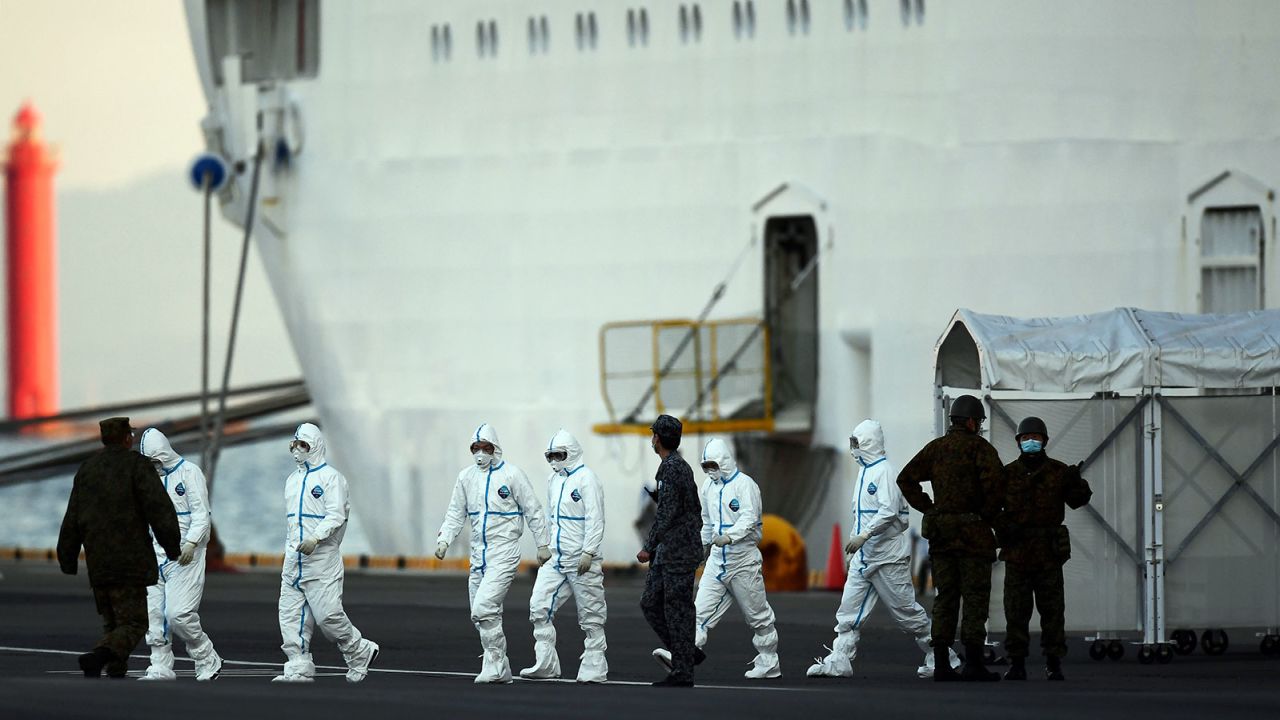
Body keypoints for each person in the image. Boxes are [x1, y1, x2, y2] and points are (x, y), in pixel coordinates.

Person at [808, 420, 961, 679]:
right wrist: (857, 545)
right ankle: (840, 659)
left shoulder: (885, 472)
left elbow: (889, 511)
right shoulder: (864, 472)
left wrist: (865, 535)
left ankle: (943, 656)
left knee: (906, 614)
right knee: (848, 611)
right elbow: (863, 514)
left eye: (857, 443)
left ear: (868, 443)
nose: (853, 449)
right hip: (865, 557)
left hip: (887, 557)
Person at [57, 417, 181, 678]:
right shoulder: (137, 466)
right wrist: (172, 546)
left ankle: (115, 668)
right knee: (135, 622)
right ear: (127, 438)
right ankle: (98, 657)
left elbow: (73, 517)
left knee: (112, 621)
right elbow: (159, 509)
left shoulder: (87, 469)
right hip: (130, 561)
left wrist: (67, 557)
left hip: (98, 560)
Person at [897, 395, 1005, 682]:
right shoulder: (981, 450)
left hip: (942, 537)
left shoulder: (936, 449)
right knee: (974, 598)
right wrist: (987, 518)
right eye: (978, 421)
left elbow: (905, 478)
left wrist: (930, 507)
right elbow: (996, 490)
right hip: (974, 537)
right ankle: (973, 663)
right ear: (971, 421)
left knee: (945, 598)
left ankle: (942, 663)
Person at [654, 437, 780, 679]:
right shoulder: (708, 488)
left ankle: (769, 661)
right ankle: (681, 657)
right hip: (717, 561)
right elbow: (707, 521)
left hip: (743, 561)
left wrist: (730, 536)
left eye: (713, 465)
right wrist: (700, 547)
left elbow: (749, 518)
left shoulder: (746, 485)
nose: (710, 470)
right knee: (698, 612)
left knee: (758, 616)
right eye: (706, 466)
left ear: (724, 461)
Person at [436, 423, 551, 683]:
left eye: (485, 448)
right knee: (481, 614)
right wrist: (444, 539)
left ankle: (497, 665)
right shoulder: (466, 477)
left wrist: (543, 544)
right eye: (475, 448)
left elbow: (533, 509)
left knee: (484, 607)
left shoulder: (512, 475)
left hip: (504, 552)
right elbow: (456, 512)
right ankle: (496, 664)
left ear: (495, 448)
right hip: (479, 556)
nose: (480, 453)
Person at [273, 423, 380, 683]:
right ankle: (298, 664)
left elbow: (336, 515)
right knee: (289, 614)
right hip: (294, 559)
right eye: (294, 445)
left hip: (322, 559)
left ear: (315, 447)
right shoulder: (292, 480)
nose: (297, 451)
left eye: (303, 445)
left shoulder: (332, 479)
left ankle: (358, 650)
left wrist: (315, 538)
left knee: (328, 615)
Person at [996, 416, 1092, 681]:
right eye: (1025, 438)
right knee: (1015, 611)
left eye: (1035, 437)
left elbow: (1079, 500)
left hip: (1048, 554)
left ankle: (1053, 662)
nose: (1030, 442)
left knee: (1052, 611)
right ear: (1017, 442)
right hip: (1017, 552)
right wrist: (1004, 527)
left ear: (1045, 441)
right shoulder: (1007, 474)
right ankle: (1016, 663)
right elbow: (992, 508)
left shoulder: (1059, 472)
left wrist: (1076, 482)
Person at [519, 429, 608, 683]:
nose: (555, 461)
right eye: (550, 456)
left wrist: (588, 551)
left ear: (572, 452)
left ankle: (595, 664)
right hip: (556, 559)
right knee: (539, 606)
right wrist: (544, 545)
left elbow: (595, 518)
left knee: (591, 613)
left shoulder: (587, 479)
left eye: (559, 455)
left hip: (581, 559)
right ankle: (545, 661)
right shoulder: (553, 480)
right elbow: (550, 516)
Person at [136, 428, 224, 681]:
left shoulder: (189, 473)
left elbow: (201, 515)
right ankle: (160, 665)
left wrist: (192, 543)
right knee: (155, 614)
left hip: (186, 556)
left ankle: (206, 655)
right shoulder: (149, 480)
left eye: (154, 461)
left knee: (178, 615)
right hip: (156, 554)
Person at [637, 414, 704, 688]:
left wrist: (647, 547)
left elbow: (666, 515)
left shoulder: (674, 469)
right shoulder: (671, 468)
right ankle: (687, 652)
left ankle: (683, 670)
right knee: (651, 602)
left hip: (678, 551)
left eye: (654, 435)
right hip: (670, 550)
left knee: (678, 610)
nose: (652, 439)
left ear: (660, 439)